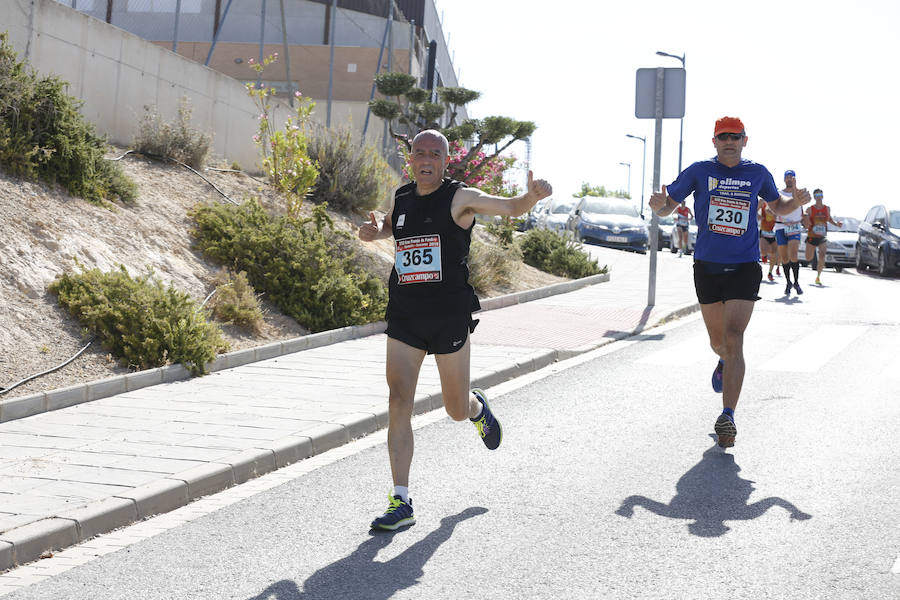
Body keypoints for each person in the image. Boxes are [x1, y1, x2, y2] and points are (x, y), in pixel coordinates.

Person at [358, 129, 552, 530]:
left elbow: (509, 207)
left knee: (455, 410)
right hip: (406, 314)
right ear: (409, 158)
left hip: (448, 314)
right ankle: (401, 500)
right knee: (398, 399)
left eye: (435, 153)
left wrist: (530, 198)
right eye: (419, 153)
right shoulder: (401, 196)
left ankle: (477, 407)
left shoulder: (461, 197)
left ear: (446, 161)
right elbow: (393, 228)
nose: (426, 159)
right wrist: (373, 232)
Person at [649, 116, 810, 448]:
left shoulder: (757, 173)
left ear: (744, 140)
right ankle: (722, 360)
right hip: (707, 265)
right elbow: (668, 206)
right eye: (723, 136)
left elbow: (778, 205)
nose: (729, 141)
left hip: (744, 265)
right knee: (718, 342)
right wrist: (659, 206)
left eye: (735, 136)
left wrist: (797, 202)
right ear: (714, 141)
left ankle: (728, 415)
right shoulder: (698, 170)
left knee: (735, 338)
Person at [773, 170, 805, 296]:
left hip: (795, 227)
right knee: (784, 257)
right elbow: (771, 208)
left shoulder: (799, 193)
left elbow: (803, 208)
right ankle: (788, 282)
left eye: (791, 177)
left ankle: (796, 282)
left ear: (795, 179)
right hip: (780, 227)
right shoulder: (779, 194)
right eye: (787, 177)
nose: (789, 179)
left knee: (793, 254)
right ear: (784, 179)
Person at [803, 189, 842, 285]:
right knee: (808, 258)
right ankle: (813, 265)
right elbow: (804, 219)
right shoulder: (810, 209)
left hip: (822, 236)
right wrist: (806, 221)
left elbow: (829, 219)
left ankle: (818, 277)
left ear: (823, 196)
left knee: (822, 254)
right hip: (812, 235)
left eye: (820, 194)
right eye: (817, 195)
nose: (819, 196)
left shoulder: (827, 208)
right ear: (814, 197)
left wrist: (836, 224)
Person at [758, 199, 779, 281]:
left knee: (774, 253)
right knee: (763, 251)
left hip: (773, 234)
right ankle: (764, 255)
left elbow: (779, 218)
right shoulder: (763, 205)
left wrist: (773, 214)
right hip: (764, 232)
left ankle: (770, 272)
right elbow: (758, 216)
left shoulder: (778, 207)